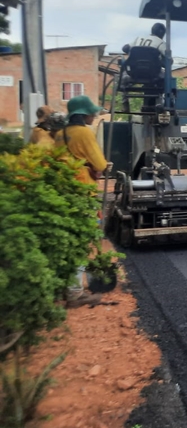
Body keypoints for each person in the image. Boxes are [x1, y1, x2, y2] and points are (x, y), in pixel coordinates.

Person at [56, 95, 109, 308]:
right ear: (83, 114)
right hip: (81, 189)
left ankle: (64, 285)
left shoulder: (60, 133)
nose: (94, 115)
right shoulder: (84, 133)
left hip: (62, 189)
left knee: (68, 239)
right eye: (91, 113)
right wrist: (98, 165)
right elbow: (100, 163)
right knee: (81, 241)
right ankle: (74, 292)